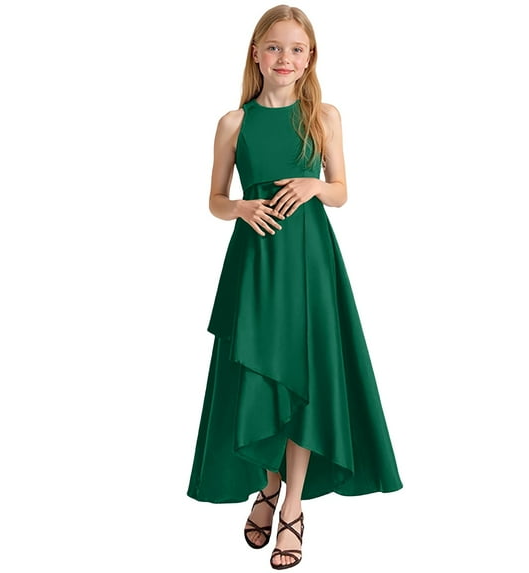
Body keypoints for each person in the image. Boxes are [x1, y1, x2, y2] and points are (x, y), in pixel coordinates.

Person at [187, 4, 403, 569]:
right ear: (256, 54)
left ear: (310, 59)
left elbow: (341, 191)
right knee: (260, 376)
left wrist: (314, 186)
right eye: (275, 47)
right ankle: (267, 486)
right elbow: (214, 200)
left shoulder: (324, 116)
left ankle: (292, 506)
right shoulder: (233, 123)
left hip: (310, 263)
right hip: (256, 261)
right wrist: (240, 207)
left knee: (305, 380)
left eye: (297, 49)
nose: (285, 57)